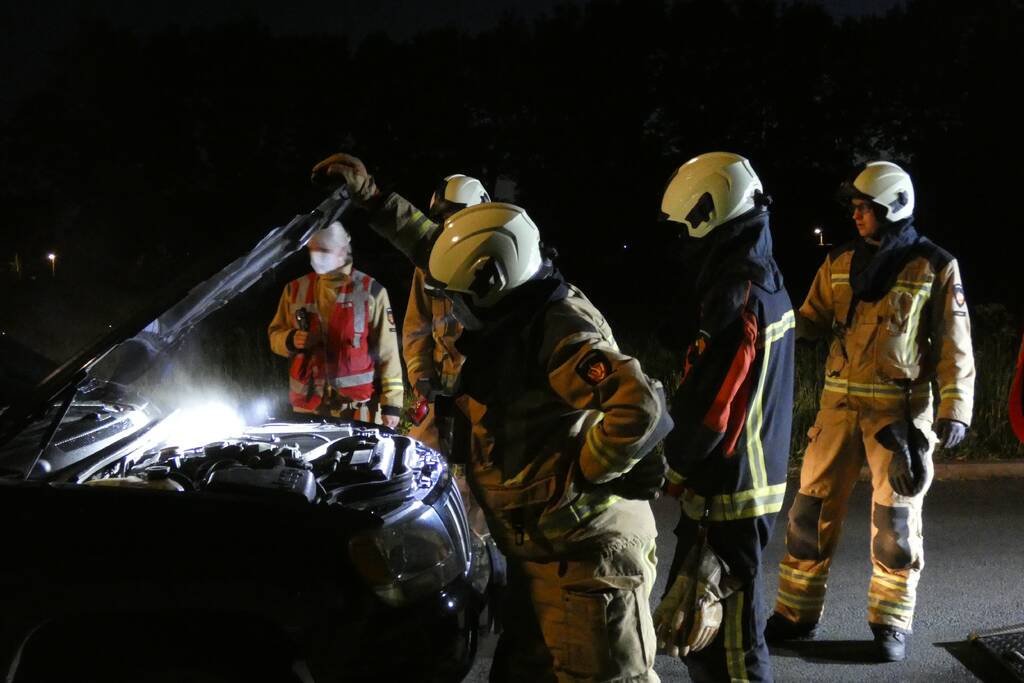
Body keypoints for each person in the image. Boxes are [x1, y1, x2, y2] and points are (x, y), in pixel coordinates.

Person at [311, 152, 672, 682]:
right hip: (540, 552)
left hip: (586, 560)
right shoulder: (514, 297)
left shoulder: (557, 329)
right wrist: (373, 199)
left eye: (460, 300)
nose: (453, 311)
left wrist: (588, 470)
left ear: (490, 285)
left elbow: (640, 405)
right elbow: (438, 248)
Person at [767, 161, 976, 662]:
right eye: (856, 207)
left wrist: (955, 410)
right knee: (808, 516)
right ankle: (795, 615)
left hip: (899, 419)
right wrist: (772, 318)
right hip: (837, 411)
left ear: (893, 208)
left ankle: (890, 624)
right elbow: (810, 320)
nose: (856, 215)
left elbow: (955, 345)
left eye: (865, 207)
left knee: (895, 526)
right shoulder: (839, 261)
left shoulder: (934, 265)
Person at [652, 152, 794, 683]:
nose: (683, 242)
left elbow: (714, 407)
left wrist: (674, 466)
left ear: (707, 213)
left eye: (685, 227)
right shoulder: (760, 276)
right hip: (742, 484)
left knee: (730, 650)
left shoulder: (739, 294)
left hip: (730, 493)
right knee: (706, 636)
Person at [268, 221, 403, 428]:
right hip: (308, 409)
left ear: (341, 251)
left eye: (323, 250)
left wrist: (391, 404)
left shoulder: (371, 292)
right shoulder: (294, 290)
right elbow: (274, 335)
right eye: (312, 250)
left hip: (356, 410)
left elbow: (388, 352)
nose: (316, 256)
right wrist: (290, 339)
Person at [404, 174, 489, 449]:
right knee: (418, 457)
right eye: (444, 219)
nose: (450, 227)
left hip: (487, 396)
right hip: (440, 393)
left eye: (457, 217)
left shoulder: (498, 259)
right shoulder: (430, 265)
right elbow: (416, 328)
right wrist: (421, 377)